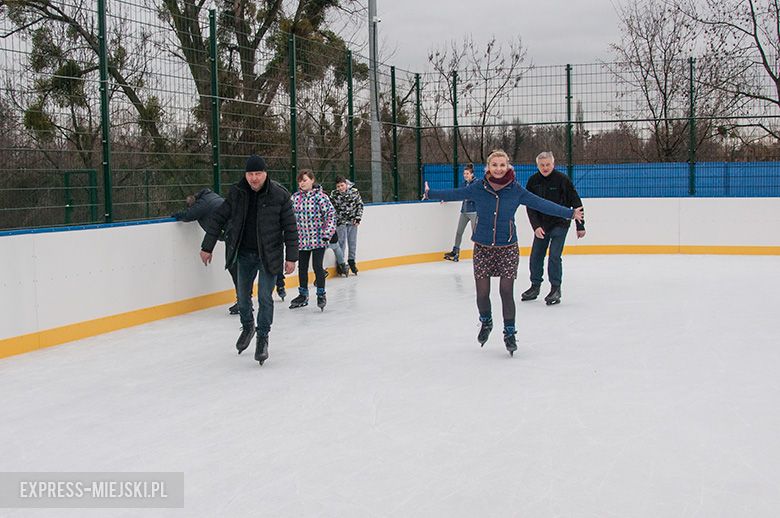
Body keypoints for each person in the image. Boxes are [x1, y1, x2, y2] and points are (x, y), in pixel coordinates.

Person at [424, 149, 584, 356]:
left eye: (502, 165)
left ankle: (509, 332)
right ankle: (486, 321)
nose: (498, 169)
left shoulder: (516, 190)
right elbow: (456, 193)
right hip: (482, 247)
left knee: (506, 292)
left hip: (508, 247)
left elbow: (541, 204)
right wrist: (431, 193)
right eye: (494, 165)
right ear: (488, 168)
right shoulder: (478, 188)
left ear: (508, 166)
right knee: (482, 293)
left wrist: (569, 213)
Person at [199, 155, 298, 365]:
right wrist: (207, 246)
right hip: (243, 254)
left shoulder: (279, 195)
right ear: (246, 175)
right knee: (243, 298)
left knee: (264, 297)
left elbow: (290, 228)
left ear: (265, 174)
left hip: (268, 255)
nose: (254, 178)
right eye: (250, 174)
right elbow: (218, 218)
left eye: (258, 174)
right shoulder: (237, 193)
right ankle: (248, 327)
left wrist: (291, 258)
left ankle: (262, 337)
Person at [521, 151, 586, 306]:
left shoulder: (563, 180)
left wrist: (580, 225)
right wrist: (535, 226)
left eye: (548, 164)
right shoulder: (533, 181)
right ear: (537, 166)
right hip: (541, 225)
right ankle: (535, 286)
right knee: (536, 255)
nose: (545, 167)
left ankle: (555, 289)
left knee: (554, 256)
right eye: (542, 165)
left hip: (560, 224)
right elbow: (530, 207)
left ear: (553, 164)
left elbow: (576, 202)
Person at [171, 188, 239, 315]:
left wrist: (177, 215)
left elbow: (188, 215)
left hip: (232, 233)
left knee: (234, 267)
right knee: (239, 266)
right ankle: (245, 300)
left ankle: (243, 302)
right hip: (236, 229)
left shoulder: (202, 204)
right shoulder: (211, 196)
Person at [289, 170, 337, 311]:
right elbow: (289, 217)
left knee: (317, 266)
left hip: (318, 239)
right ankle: (303, 294)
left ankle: (321, 293)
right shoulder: (295, 198)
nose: (302, 183)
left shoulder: (321, 197)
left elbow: (331, 215)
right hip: (302, 239)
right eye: (300, 181)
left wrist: (326, 234)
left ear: (312, 180)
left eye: (304, 180)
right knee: (302, 268)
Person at [443, 163, 478, 262]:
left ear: (472, 174)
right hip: (464, 212)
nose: (465, 175)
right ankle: (455, 252)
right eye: (464, 174)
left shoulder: (476, 183)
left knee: (475, 234)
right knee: (459, 232)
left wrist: (468, 196)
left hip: (474, 212)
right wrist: (447, 198)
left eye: (467, 173)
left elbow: (477, 196)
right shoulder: (464, 184)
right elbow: (457, 193)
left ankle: (479, 253)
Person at [330, 176, 364, 275]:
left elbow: (359, 204)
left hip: (353, 221)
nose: (340, 188)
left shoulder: (354, 192)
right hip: (341, 222)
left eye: (342, 185)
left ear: (346, 184)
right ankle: (341, 263)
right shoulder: (334, 195)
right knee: (341, 242)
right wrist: (335, 219)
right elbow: (332, 208)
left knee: (352, 242)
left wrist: (358, 217)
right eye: (338, 186)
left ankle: (351, 261)